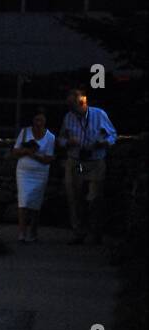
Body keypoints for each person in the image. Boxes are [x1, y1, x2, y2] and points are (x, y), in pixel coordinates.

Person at [59, 88, 117, 245]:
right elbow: (61, 138)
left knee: (94, 198)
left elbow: (113, 135)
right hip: (77, 162)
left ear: (82, 102)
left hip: (95, 162)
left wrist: (103, 143)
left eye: (73, 105)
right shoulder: (69, 117)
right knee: (75, 197)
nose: (71, 109)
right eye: (69, 106)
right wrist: (68, 142)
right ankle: (79, 233)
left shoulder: (99, 114)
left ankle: (96, 232)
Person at [12, 108, 55, 243]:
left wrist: (33, 154)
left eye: (41, 119)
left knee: (35, 204)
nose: (39, 122)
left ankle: (33, 231)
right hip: (24, 172)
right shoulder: (25, 132)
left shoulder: (50, 137)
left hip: (40, 173)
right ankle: (22, 232)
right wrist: (27, 150)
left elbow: (48, 159)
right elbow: (15, 151)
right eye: (37, 119)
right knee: (23, 201)